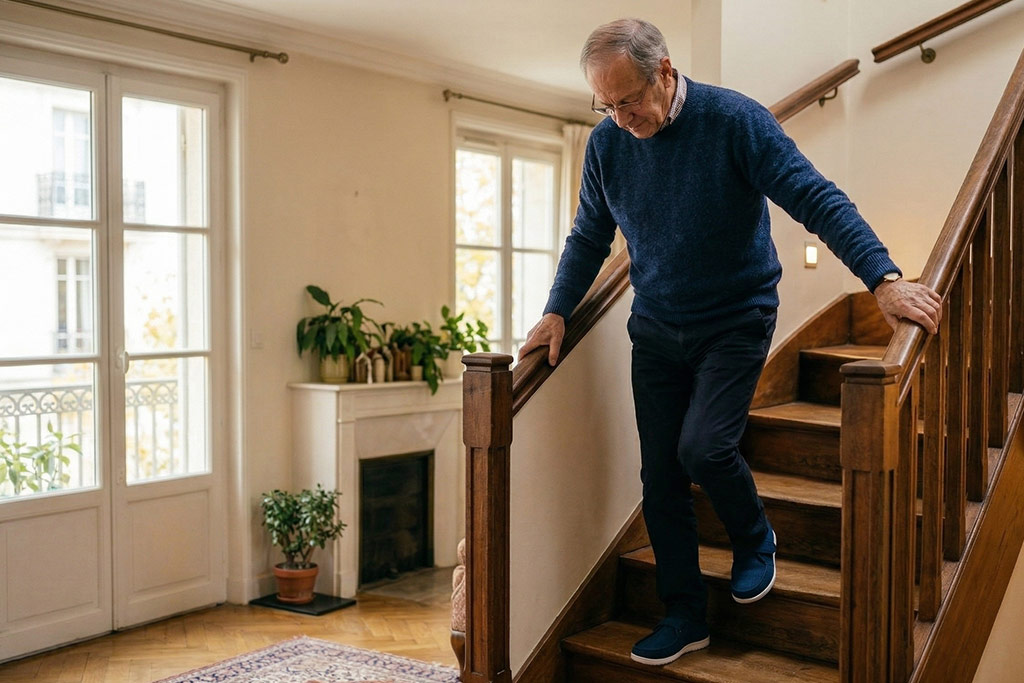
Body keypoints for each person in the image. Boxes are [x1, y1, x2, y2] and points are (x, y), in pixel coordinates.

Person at [517, 18, 942, 667]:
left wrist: (882, 279)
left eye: (629, 100)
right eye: (606, 105)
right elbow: (588, 236)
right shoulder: (607, 146)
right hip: (656, 325)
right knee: (659, 475)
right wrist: (555, 311)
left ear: (663, 72)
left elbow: (815, 198)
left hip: (736, 316)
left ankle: (754, 535)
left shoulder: (733, 122)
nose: (620, 117)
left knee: (703, 445)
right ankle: (685, 613)